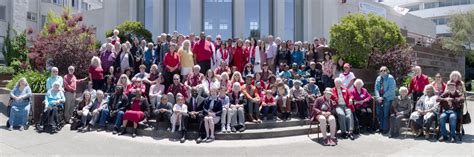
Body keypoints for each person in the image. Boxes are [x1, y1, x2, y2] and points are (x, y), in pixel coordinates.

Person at [374, 66, 397, 134]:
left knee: (385, 113)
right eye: (381, 71)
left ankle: (385, 128)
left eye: (384, 70)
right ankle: (381, 127)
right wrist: (378, 97)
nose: (382, 72)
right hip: (380, 98)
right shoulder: (378, 78)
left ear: (387, 71)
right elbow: (376, 88)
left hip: (388, 97)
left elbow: (391, 90)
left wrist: (383, 97)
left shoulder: (390, 78)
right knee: (379, 113)